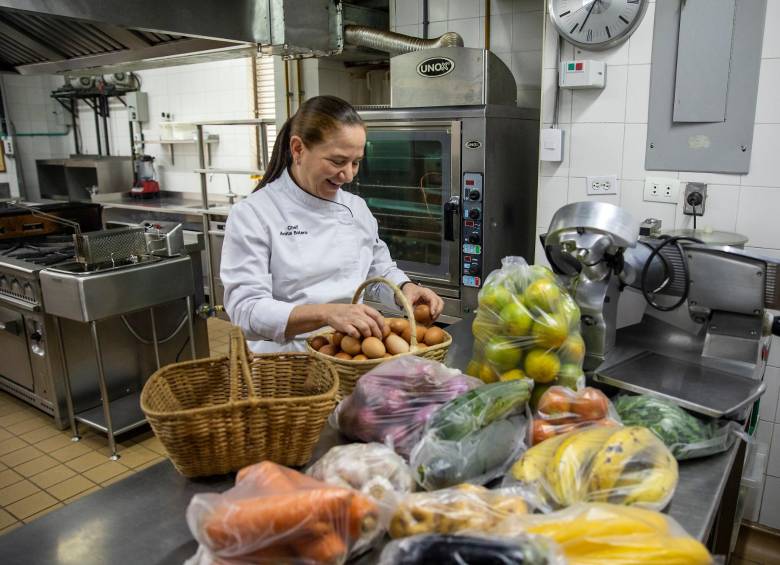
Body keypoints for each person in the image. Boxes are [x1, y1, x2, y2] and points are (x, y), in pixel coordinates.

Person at [221, 95, 444, 353]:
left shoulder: (355, 208)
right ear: (298, 149)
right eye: (337, 161)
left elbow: (377, 269)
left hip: (349, 354)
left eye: (356, 162)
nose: (348, 175)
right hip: (284, 362)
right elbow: (246, 310)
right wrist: (326, 313)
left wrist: (404, 288)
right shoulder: (254, 214)